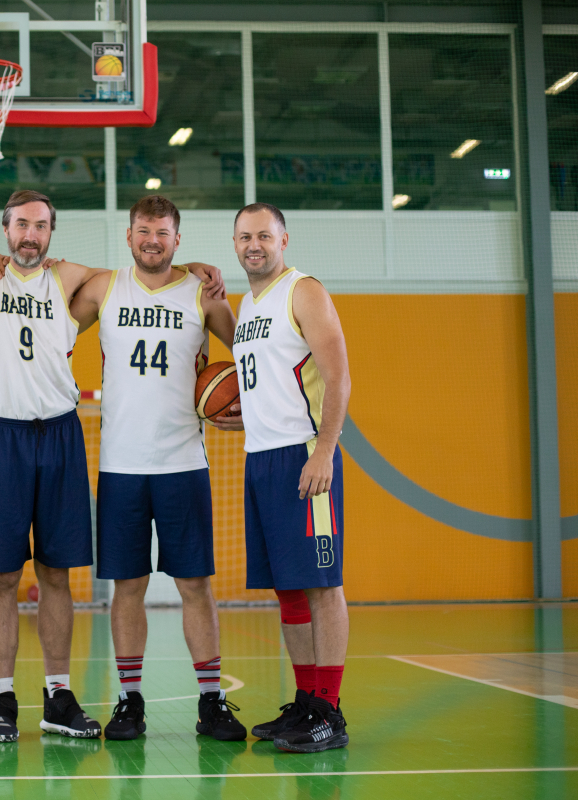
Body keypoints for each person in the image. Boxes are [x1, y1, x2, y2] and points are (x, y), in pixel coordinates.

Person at [0, 190, 225, 742]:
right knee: (1, 577)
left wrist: (192, 267)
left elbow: (147, 273)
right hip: (2, 437)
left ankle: (58, 694)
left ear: (52, 233)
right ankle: (1, 696)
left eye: (40, 226)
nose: (30, 235)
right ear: (5, 231)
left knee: (57, 574)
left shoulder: (75, 279)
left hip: (60, 435)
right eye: (21, 225)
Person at [67, 194, 246, 742]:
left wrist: (239, 406)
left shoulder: (204, 294)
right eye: (143, 230)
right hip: (121, 465)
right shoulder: (104, 287)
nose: (152, 239)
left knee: (194, 585)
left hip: (183, 463)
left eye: (163, 232)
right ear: (129, 236)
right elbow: (50, 326)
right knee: (128, 586)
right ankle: (129, 701)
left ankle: (211, 702)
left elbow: (250, 358)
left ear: (177, 238)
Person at [213, 202, 351, 753]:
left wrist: (324, 451)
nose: (254, 245)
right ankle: (305, 700)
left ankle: (331, 712)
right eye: (245, 236)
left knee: (322, 584)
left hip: (303, 456)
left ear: (283, 240)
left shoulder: (304, 290)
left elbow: (339, 375)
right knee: (289, 589)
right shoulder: (248, 303)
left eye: (264, 236)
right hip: (261, 456)